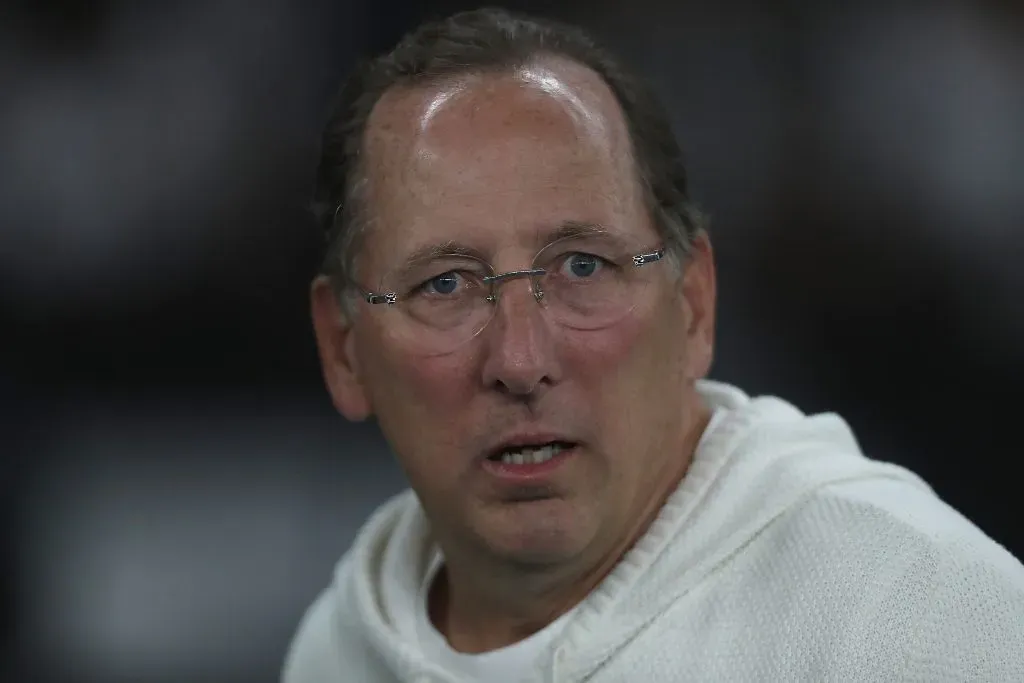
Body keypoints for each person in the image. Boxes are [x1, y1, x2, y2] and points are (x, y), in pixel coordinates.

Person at [284, 7, 1024, 682]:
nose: (520, 359)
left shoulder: (909, 614)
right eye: (445, 284)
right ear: (344, 350)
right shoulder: (338, 650)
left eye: (582, 266)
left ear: (695, 305)